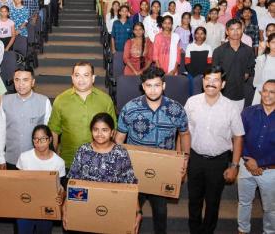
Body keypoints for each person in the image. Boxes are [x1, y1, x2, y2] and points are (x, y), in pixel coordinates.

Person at [116, 66, 190, 234]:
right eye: (148, 85)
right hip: (134, 170)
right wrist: (118, 166)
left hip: (162, 170)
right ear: (142, 86)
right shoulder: (130, 108)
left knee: (160, 214)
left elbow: (184, 134)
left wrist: (185, 159)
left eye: (157, 85)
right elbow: (119, 139)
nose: (153, 90)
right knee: (129, 213)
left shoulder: (176, 109)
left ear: (163, 85)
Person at [184, 65, 244, 234]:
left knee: (213, 202)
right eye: (207, 79)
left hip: (218, 162)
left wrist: (234, 166)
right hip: (195, 159)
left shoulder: (231, 107)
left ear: (222, 84)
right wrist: (183, 157)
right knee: (194, 201)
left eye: (216, 80)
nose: (211, 83)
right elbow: (184, 132)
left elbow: (238, 137)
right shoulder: (191, 102)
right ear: (202, 81)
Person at [65, 113, 141, 233]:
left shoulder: (120, 153)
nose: (99, 134)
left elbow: (130, 183)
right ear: (91, 131)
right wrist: (66, 209)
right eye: (96, 129)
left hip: (112, 208)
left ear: (112, 132)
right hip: (86, 208)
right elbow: (73, 182)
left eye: (104, 130)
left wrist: (138, 212)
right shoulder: (83, 150)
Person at [48, 61, 116, 169]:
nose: (81, 80)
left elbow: (113, 131)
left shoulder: (105, 100)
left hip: (100, 161)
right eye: (77, 75)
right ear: (72, 78)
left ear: (93, 78)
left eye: (86, 75)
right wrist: (52, 159)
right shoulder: (60, 100)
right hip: (69, 161)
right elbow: (54, 131)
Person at [0, 66, 51, 170]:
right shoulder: (6, 101)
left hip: (36, 160)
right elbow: (0, 132)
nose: (21, 84)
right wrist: (0, 158)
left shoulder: (44, 102)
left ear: (33, 82)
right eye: (17, 80)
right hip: (11, 159)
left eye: (25, 80)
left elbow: (48, 133)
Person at [238, 79, 275, 234]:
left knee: (270, 208)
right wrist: (247, 159)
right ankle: (243, 230)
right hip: (246, 167)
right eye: (265, 90)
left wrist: (259, 163)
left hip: (270, 172)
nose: (267, 95)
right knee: (244, 203)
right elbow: (239, 138)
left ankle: (269, 231)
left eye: (272, 92)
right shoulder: (248, 112)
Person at [14, 124, 65, 234]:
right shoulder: (24, 157)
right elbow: (18, 183)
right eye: (36, 139)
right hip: (26, 203)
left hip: (46, 205)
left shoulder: (59, 162)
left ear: (50, 139)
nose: (39, 142)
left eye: (43, 139)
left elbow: (60, 187)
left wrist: (61, 196)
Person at [212, 19, 255, 111]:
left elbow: (249, 71)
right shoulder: (218, 51)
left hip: (241, 94)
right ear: (227, 31)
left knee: (238, 122)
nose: (236, 32)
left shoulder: (249, 51)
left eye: (238, 29)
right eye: (232, 29)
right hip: (222, 95)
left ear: (242, 30)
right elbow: (215, 74)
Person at [252, 33, 275, 105]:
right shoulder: (262, 59)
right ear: (268, 44)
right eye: (273, 42)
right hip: (262, 93)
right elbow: (257, 80)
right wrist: (264, 94)